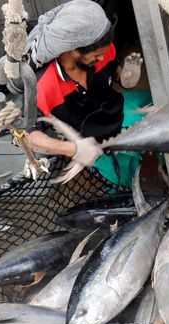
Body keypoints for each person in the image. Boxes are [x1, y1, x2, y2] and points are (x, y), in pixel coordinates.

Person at [23, 0, 148, 189]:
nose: (101, 58)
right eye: (96, 55)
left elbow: (112, 73)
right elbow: (27, 136)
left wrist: (125, 78)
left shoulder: (104, 52)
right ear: (72, 50)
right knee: (132, 181)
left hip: (119, 110)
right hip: (92, 141)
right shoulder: (42, 86)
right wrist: (73, 149)